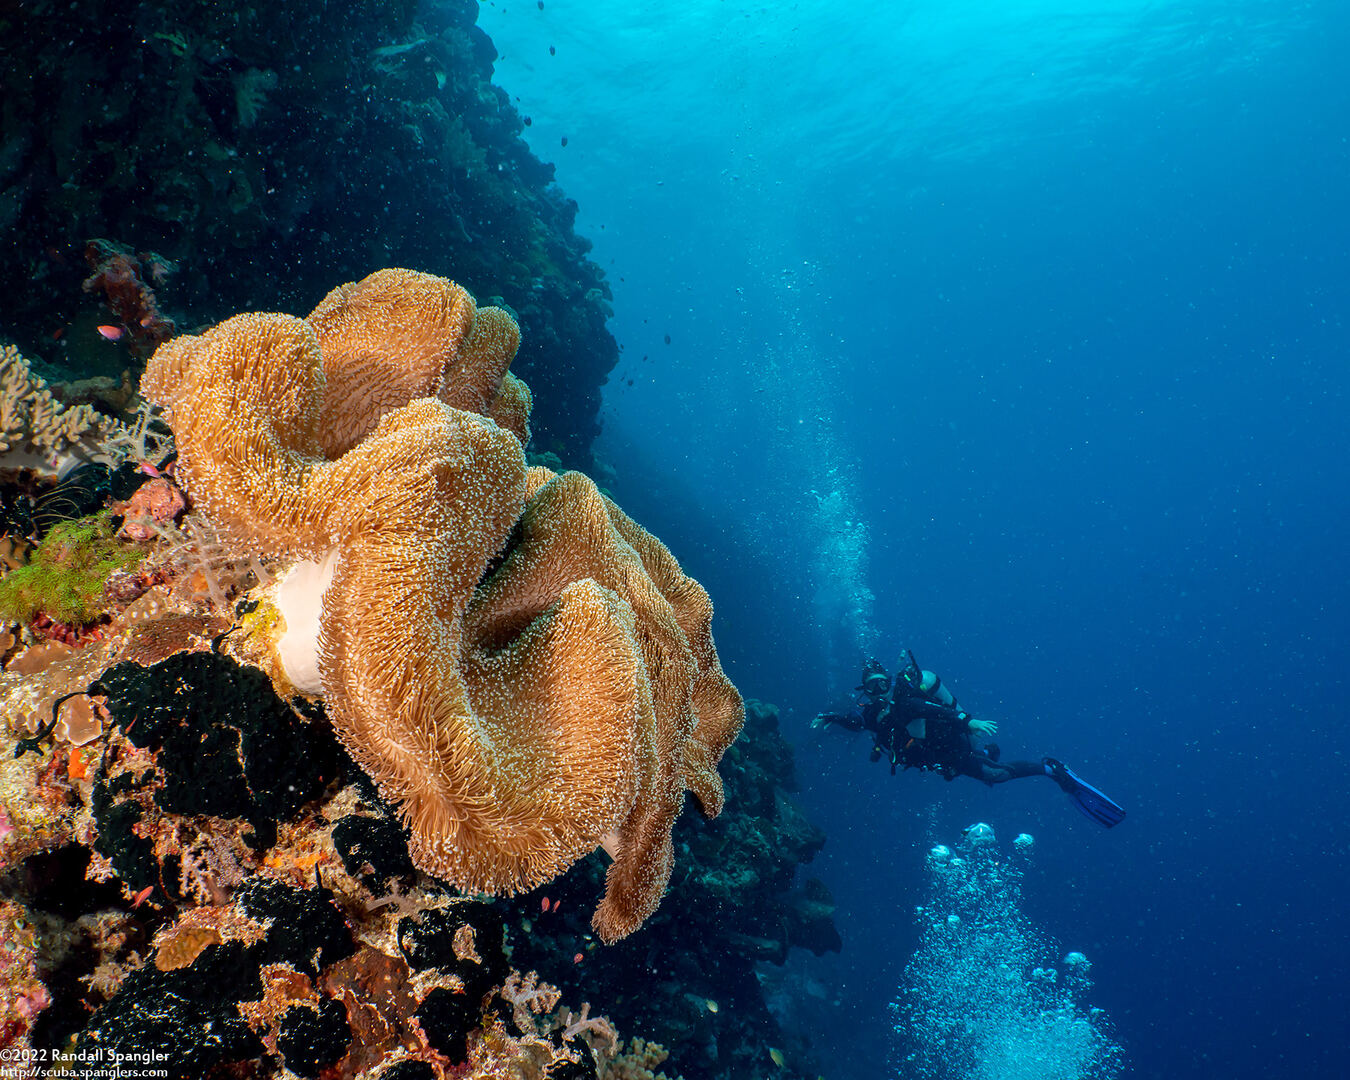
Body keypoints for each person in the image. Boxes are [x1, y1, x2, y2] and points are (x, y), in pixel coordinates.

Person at [812, 650, 1126, 828]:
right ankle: (989, 751)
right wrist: (832, 717)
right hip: (938, 759)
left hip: (950, 747)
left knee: (996, 775)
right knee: (988, 766)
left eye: (883, 684)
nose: (879, 691)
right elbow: (856, 723)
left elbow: (928, 708)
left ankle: (1051, 769)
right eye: (872, 687)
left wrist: (967, 720)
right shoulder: (870, 715)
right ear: (864, 690)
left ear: (890, 683)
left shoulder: (904, 702)